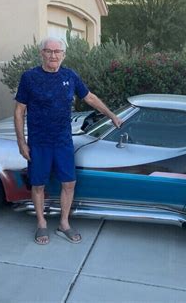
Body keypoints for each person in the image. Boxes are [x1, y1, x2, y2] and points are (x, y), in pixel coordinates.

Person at [14, 36, 122, 245]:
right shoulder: (29, 77)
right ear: (41, 54)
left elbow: (89, 97)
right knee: (38, 185)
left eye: (57, 52)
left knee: (69, 183)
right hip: (39, 142)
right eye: (49, 51)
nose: (53, 55)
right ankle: (41, 223)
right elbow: (19, 111)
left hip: (63, 141)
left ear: (63, 55)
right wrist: (21, 142)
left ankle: (64, 223)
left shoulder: (70, 75)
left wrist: (111, 115)